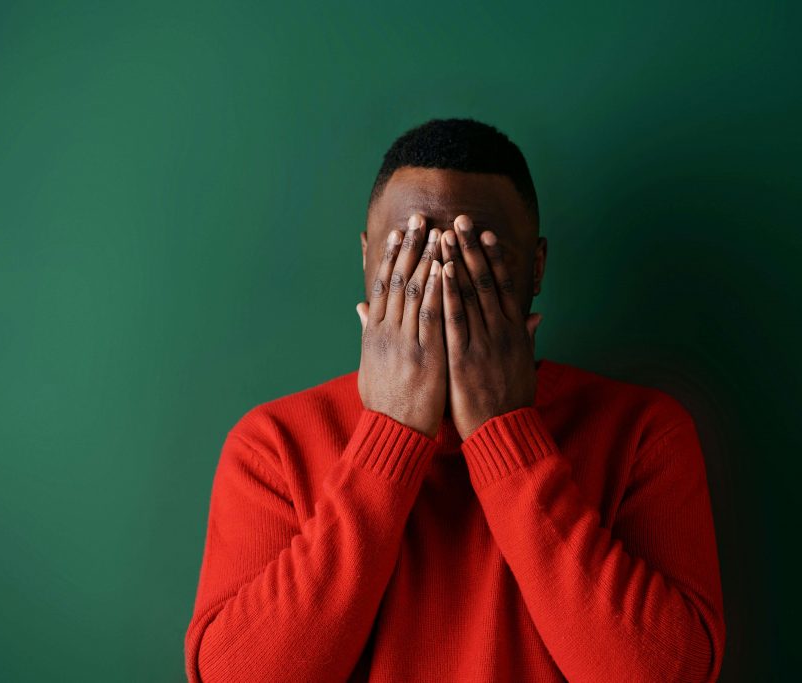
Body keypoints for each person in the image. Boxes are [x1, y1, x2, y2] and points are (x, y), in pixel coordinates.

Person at [185, 118, 726, 682]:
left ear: (535, 267)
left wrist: (504, 433)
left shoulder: (642, 433)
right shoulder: (274, 443)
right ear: (367, 258)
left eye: (477, 254)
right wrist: (390, 433)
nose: (439, 281)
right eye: (408, 252)